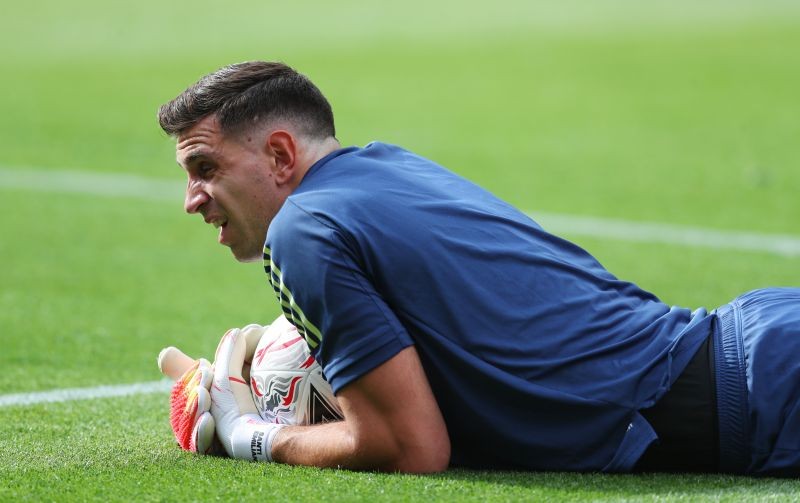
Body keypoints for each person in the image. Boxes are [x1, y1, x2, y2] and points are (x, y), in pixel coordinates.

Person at [157, 61, 800, 475]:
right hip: (759, 349)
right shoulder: (382, 166)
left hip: (765, 394)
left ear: (278, 154)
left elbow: (412, 449)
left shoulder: (303, 232)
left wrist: (251, 433)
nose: (192, 200)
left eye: (205, 169)